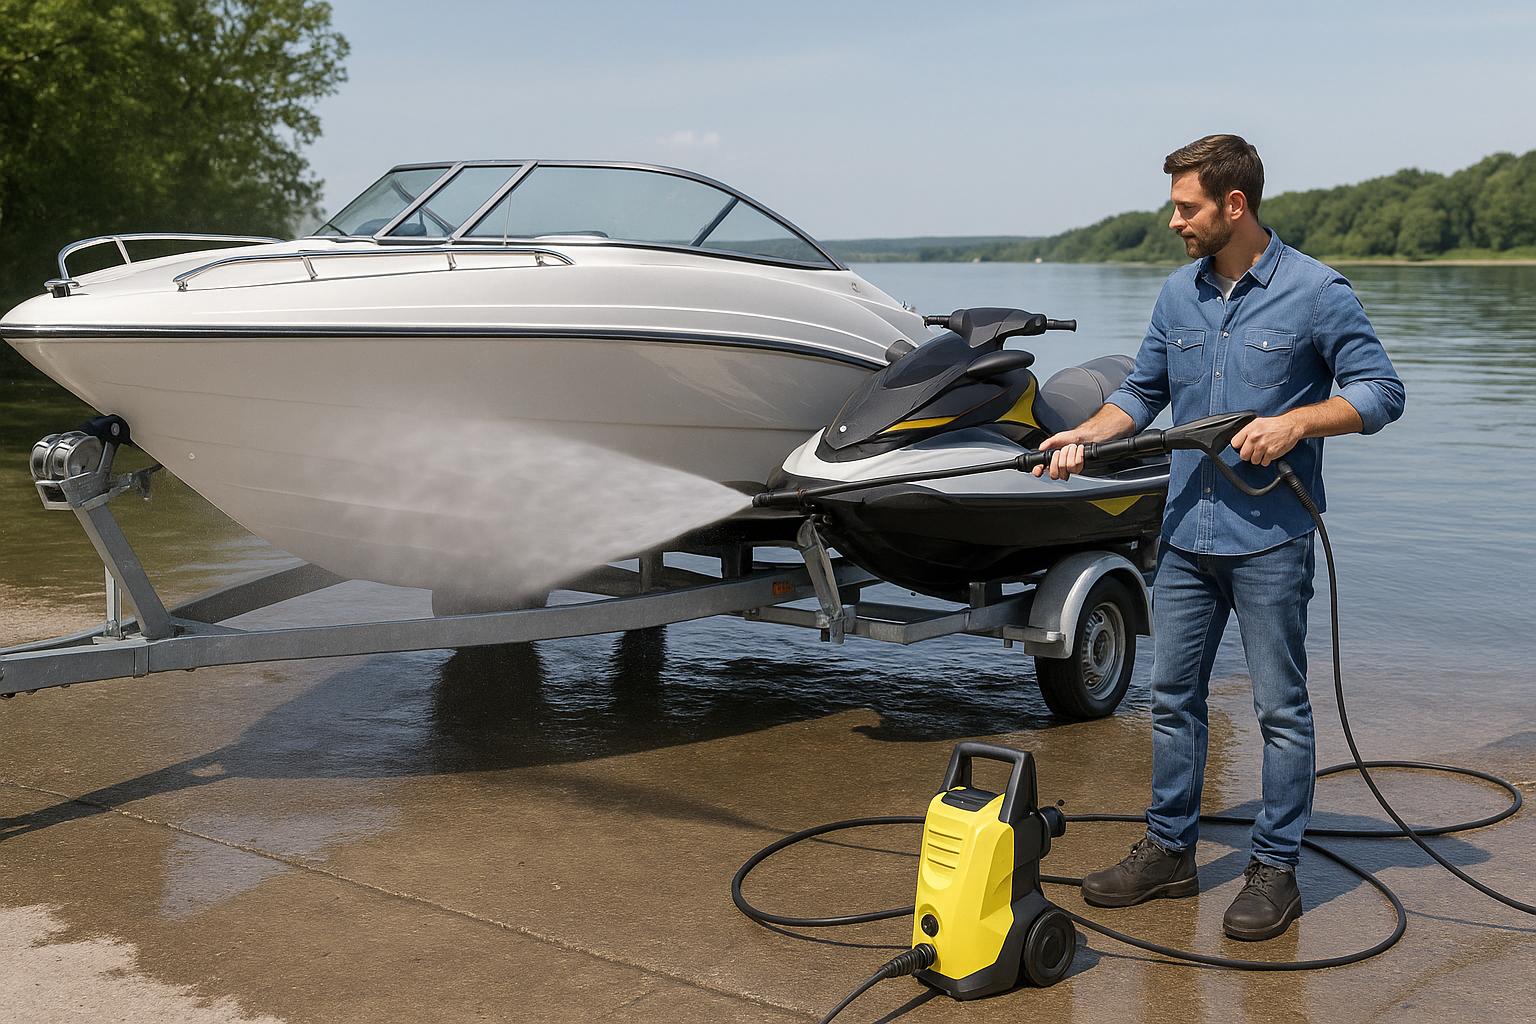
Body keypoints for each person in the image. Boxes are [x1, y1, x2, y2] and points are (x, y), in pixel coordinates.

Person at [1036, 134, 1405, 941]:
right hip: (1183, 538)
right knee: (1173, 699)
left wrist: (1297, 423)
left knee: (1280, 710)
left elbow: (1382, 392)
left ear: (1234, 205)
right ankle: (1170, 852)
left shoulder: (1317, 292)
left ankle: (1275, 869)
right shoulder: (1178, 295)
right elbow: (1140, 392)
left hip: (1272, 540)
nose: (1174, 221)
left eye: (1186, 206)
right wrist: (1084, 437)